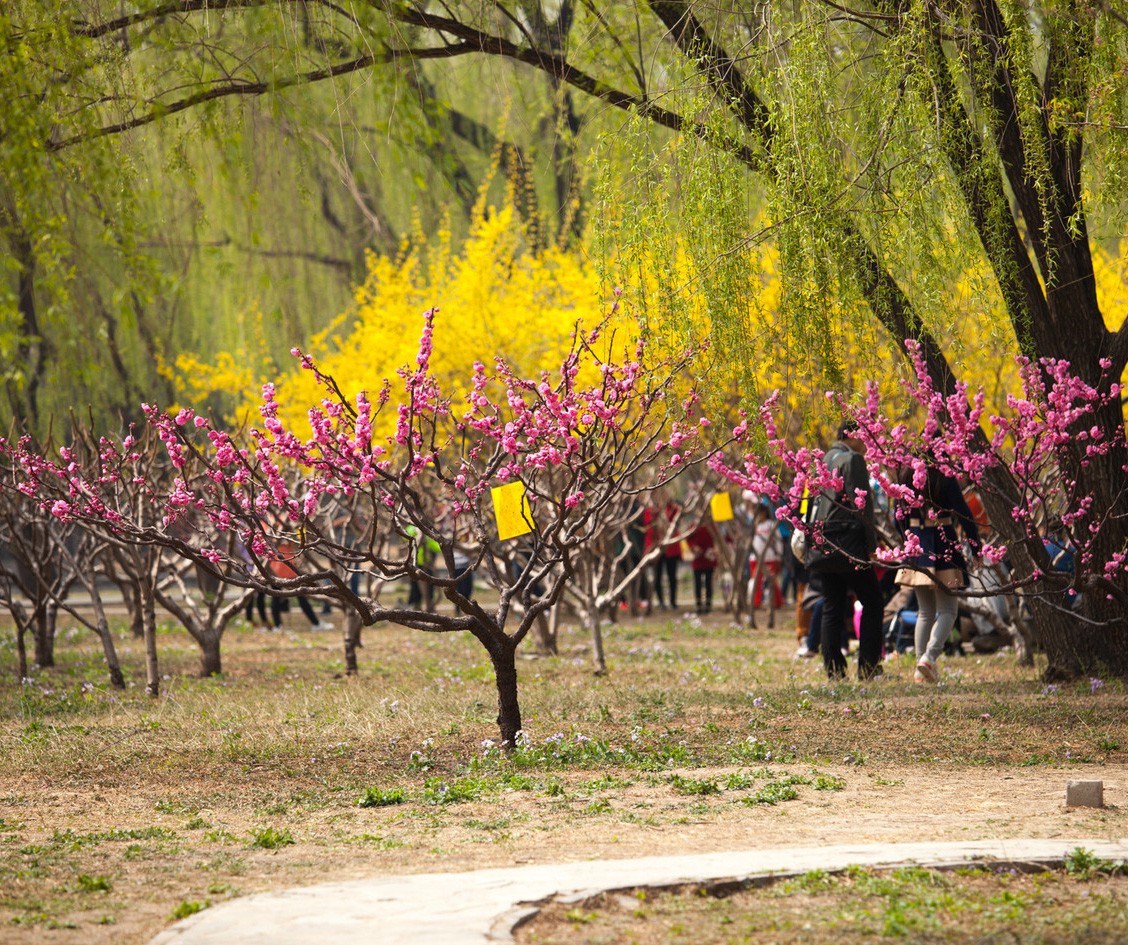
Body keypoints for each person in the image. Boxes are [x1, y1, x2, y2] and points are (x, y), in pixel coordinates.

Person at [807, 420, 883, 679]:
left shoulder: (824, 459)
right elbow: (862, 505)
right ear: (850, 435)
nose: (865, 444)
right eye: (863, 438)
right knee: (873, 602)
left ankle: (834, 671)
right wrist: (871, 546)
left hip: (824, 543)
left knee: (832, 605)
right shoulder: (853, 460)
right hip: (849, 545)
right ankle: (869, 668)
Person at [894, 463, 982, 683]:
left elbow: (897, 514)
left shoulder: (906, 472)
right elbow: (963, 512)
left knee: (924, 611)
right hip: (944, 544)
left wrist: (906, 538)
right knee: (948, 611)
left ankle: (920, 668)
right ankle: (929, 657)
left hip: (916, 544)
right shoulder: (944, 475)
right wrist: (976, 546)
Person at [652, 501, 683, 610]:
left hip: (671, 548)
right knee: (657, 576)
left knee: (672, 576)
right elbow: (648, 523)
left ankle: (673, 601)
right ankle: (661, 602)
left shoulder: (672, 508)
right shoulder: (652, 509)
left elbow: (679, 514)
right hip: (657, 548)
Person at [687, 521, 718, 614]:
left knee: (708, 583)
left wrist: (716, 549)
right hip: (698, 558)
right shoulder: (693, 525)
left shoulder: (712, 525)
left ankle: (708, 605)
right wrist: (694, 547)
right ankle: (699, 605)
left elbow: (718, 538)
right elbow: (688, 539)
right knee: (698, 583)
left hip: (709, 558)